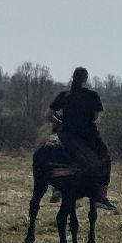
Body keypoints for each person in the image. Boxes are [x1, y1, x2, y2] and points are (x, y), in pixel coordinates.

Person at [48, 67, 115, 211]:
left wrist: (59, 122)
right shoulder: (92, 95)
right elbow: (96, 117)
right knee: (105, 157)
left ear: (73, 77)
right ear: (85, 79)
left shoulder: (64, 95)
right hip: (87, 135)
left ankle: (55, 187)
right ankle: (101, 196)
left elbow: (48, 115)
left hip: (66, 135)